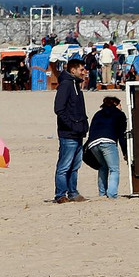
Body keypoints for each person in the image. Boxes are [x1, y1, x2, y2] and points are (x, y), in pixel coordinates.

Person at [53, 57, 89, 203]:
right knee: (64, 166)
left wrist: (83, 125)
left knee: (75, 166)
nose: (84, 72)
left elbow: (79, 110)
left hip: (78, 133)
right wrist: (72, 125)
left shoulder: (76, 85)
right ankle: (60, 195)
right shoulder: (66, 85)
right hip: (68, 134)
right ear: (73, 70)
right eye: (81, 70)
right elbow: (59, 109)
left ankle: (73, 192)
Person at [84, 95, 128, 199]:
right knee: (114, 169)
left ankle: (102, 193)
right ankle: (112, 194)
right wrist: (125, 152)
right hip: (108, 141)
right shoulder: (119, 114)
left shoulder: (98, 114)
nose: (121, 107)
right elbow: (122, 135)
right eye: (120, 104)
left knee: (102, 167)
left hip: (93, 143)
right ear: (115, 104)